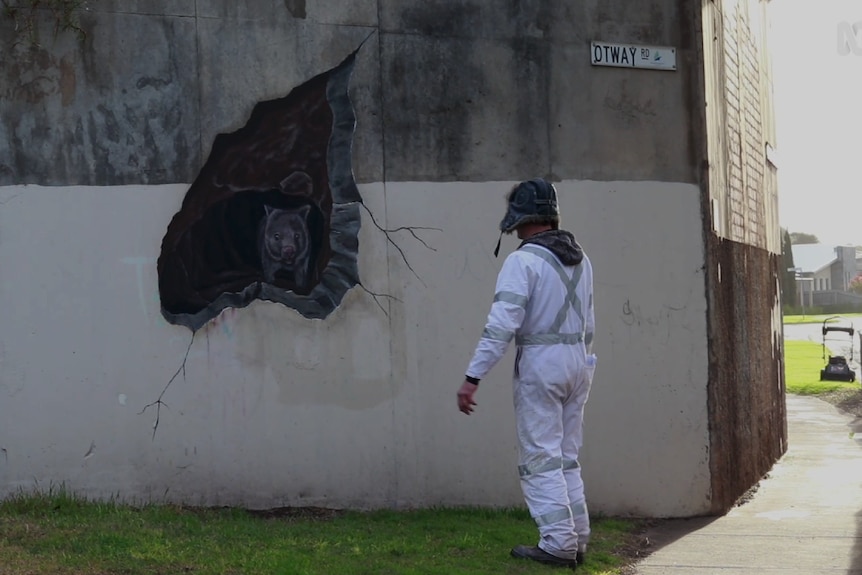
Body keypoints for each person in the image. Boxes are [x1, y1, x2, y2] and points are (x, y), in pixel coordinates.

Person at [457, 178, 596, 570]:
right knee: (566, 457)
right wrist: (581, 361)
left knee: (540, 457)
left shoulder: (523, 261)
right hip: (579, 362)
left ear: (523, 219)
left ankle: (557, 543)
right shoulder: (582, 259)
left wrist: (473, 377)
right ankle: (577, 537)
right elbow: (589, 321)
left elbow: (501, 326)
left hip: (542, 365)